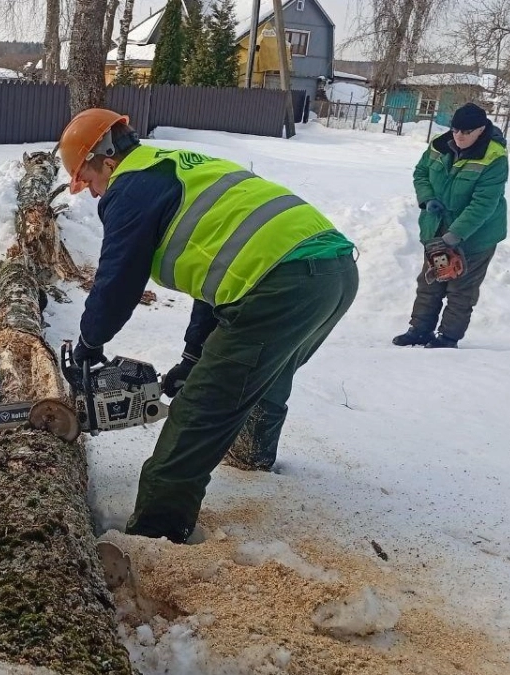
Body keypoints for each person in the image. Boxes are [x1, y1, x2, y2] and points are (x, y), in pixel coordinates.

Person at [58, 108, 359, 544]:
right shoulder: (176, 166)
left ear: (105, 161)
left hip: (282, 282)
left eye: (90, 182)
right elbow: (217, 273)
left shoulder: (131, 187)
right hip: (332, 272)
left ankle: (156, 537)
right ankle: (253, 454)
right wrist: (193, 356)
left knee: (201, 410)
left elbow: (118, 279)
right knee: (265, 370)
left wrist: (90, 341)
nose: (93, 194)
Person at [393, 102, 509, 349]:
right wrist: (428, 199)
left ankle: (448, 338)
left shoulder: (494, 157)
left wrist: (455, 235)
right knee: (432, 281)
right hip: (438, 229)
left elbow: (484, 204)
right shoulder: (439, 144)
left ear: (481, 129)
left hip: (475, 237)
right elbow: (421, 173)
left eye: (466, 132)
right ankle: (420, 330)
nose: (459, 136)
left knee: (460, 287)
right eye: (456, 130)